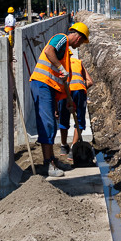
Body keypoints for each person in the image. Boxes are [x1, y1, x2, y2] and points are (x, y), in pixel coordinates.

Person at [29, 22, 89, 177]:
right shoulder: (61, 38)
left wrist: (66, 101)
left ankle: (52, 160)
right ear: (77, 36)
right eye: (82, 41)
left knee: (51, 125)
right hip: (42, 84)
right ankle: (48, 164)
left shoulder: (66, 55)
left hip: (48, 88)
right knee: (47, 124)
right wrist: (61, 68)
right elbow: (49, 50)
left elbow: (59, 82)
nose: (80, 45)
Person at [58, 56, 94, 156]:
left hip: (64, 90)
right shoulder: (78, 62)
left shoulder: (58, 62)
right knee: (80, 119)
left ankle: (64, 146)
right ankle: (74, 148)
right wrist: (82, 89)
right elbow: (90, 82)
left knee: (63, 118)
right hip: (79, 90)